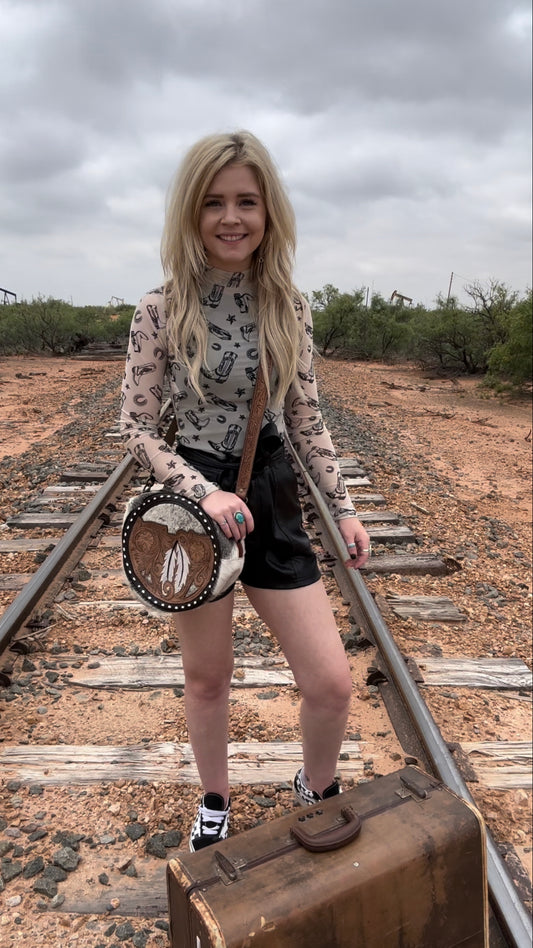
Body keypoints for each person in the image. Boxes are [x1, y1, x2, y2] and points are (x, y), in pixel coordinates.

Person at [120, 130, 371, 852]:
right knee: (208, 679)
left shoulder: (286, 304)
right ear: (191, 213)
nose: (231, 217)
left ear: (268, 212)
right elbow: (135, 430)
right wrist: (202, 491)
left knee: (328, 683)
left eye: (246, 202)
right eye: (214, 202)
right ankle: (213, 802)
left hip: (270, 487)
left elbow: (304, 416)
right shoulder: (161, 307)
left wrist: (343, 508)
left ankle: (314, 788)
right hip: (196, 504)